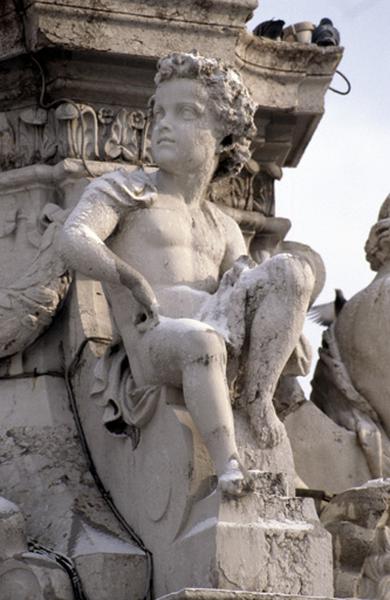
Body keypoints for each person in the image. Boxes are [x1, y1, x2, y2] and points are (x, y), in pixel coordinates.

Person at [61, 52, 314, 496]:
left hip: (217, 329)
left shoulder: (223, 225)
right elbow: (74, 238)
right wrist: (128, 277)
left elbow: (245, 284)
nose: (161, 123)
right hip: (154, 339)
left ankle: (257, 401)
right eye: (158, 112)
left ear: (223, 138)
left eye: (185, 113)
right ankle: (229, 463)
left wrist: (287, 316)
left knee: (292, 270)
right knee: (202, 341)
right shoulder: (126, 189)